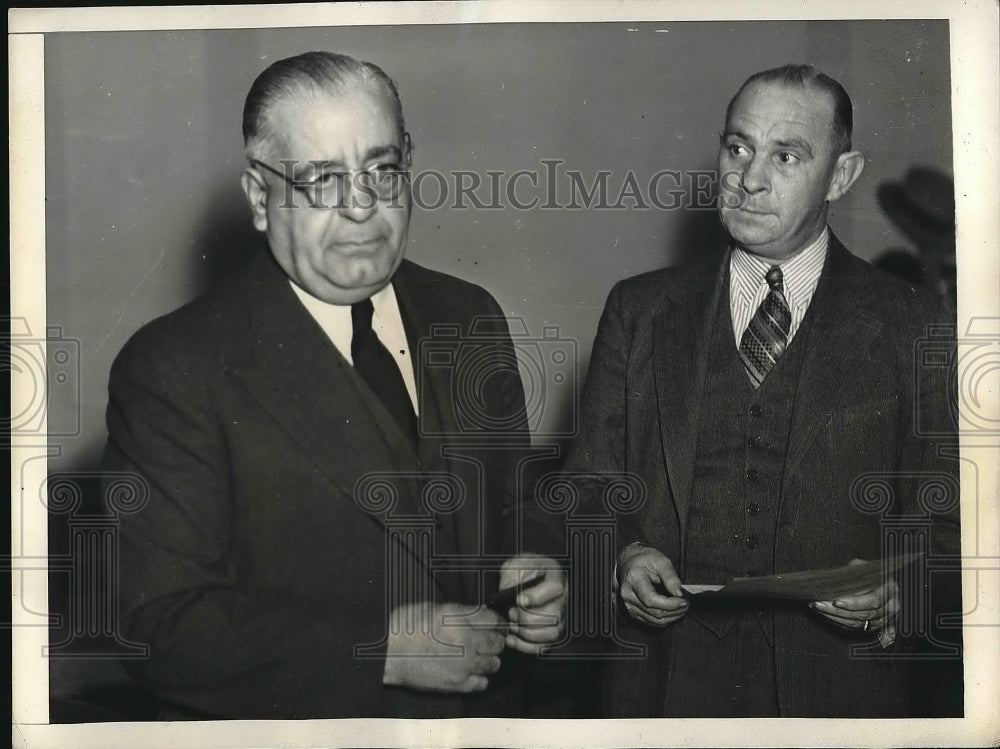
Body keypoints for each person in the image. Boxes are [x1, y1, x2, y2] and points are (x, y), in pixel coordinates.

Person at [104, 51, 566, 719]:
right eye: (321, 179)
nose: (361, 208)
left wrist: (547, 571)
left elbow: (516, 506)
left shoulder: (470, 316)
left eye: (381, 169)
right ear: (260, 199)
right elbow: (159, 627)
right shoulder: (175, 367)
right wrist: (383, 650)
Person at [564, 64, 960, 717]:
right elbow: (584, 490)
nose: (749, 179)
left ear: (841, 174)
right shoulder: (639, 310)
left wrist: (904, 589)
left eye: (786, 155)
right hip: (664, 692)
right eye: (737, 147)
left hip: (842, 696)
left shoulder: (911, 322)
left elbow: (952, 522)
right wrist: (621, 557)